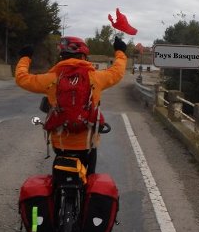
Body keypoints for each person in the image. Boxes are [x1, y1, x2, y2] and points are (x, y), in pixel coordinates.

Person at [15, 36, 127, 175]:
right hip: (87, 145)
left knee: (57, 179)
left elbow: (22, 79)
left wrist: (25, 57)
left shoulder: (52, 78)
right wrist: (120, 52)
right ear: (84, 56)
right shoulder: (95, 78)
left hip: (61, 145)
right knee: (90, 181)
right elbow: (117, 72)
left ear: (62, 56)